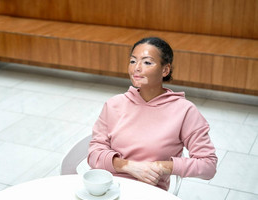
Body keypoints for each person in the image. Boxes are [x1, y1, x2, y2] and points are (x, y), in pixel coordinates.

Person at [87, 37, 217, 191]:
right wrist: (129, 166)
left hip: (149, 193)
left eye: (147, 62)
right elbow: (94, 154)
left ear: (165, 70)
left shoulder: (185, 111)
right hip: (106, 186)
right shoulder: (114, 104)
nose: (137, 68)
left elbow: (208, 166)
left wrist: (161, 166)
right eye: (133, 61)